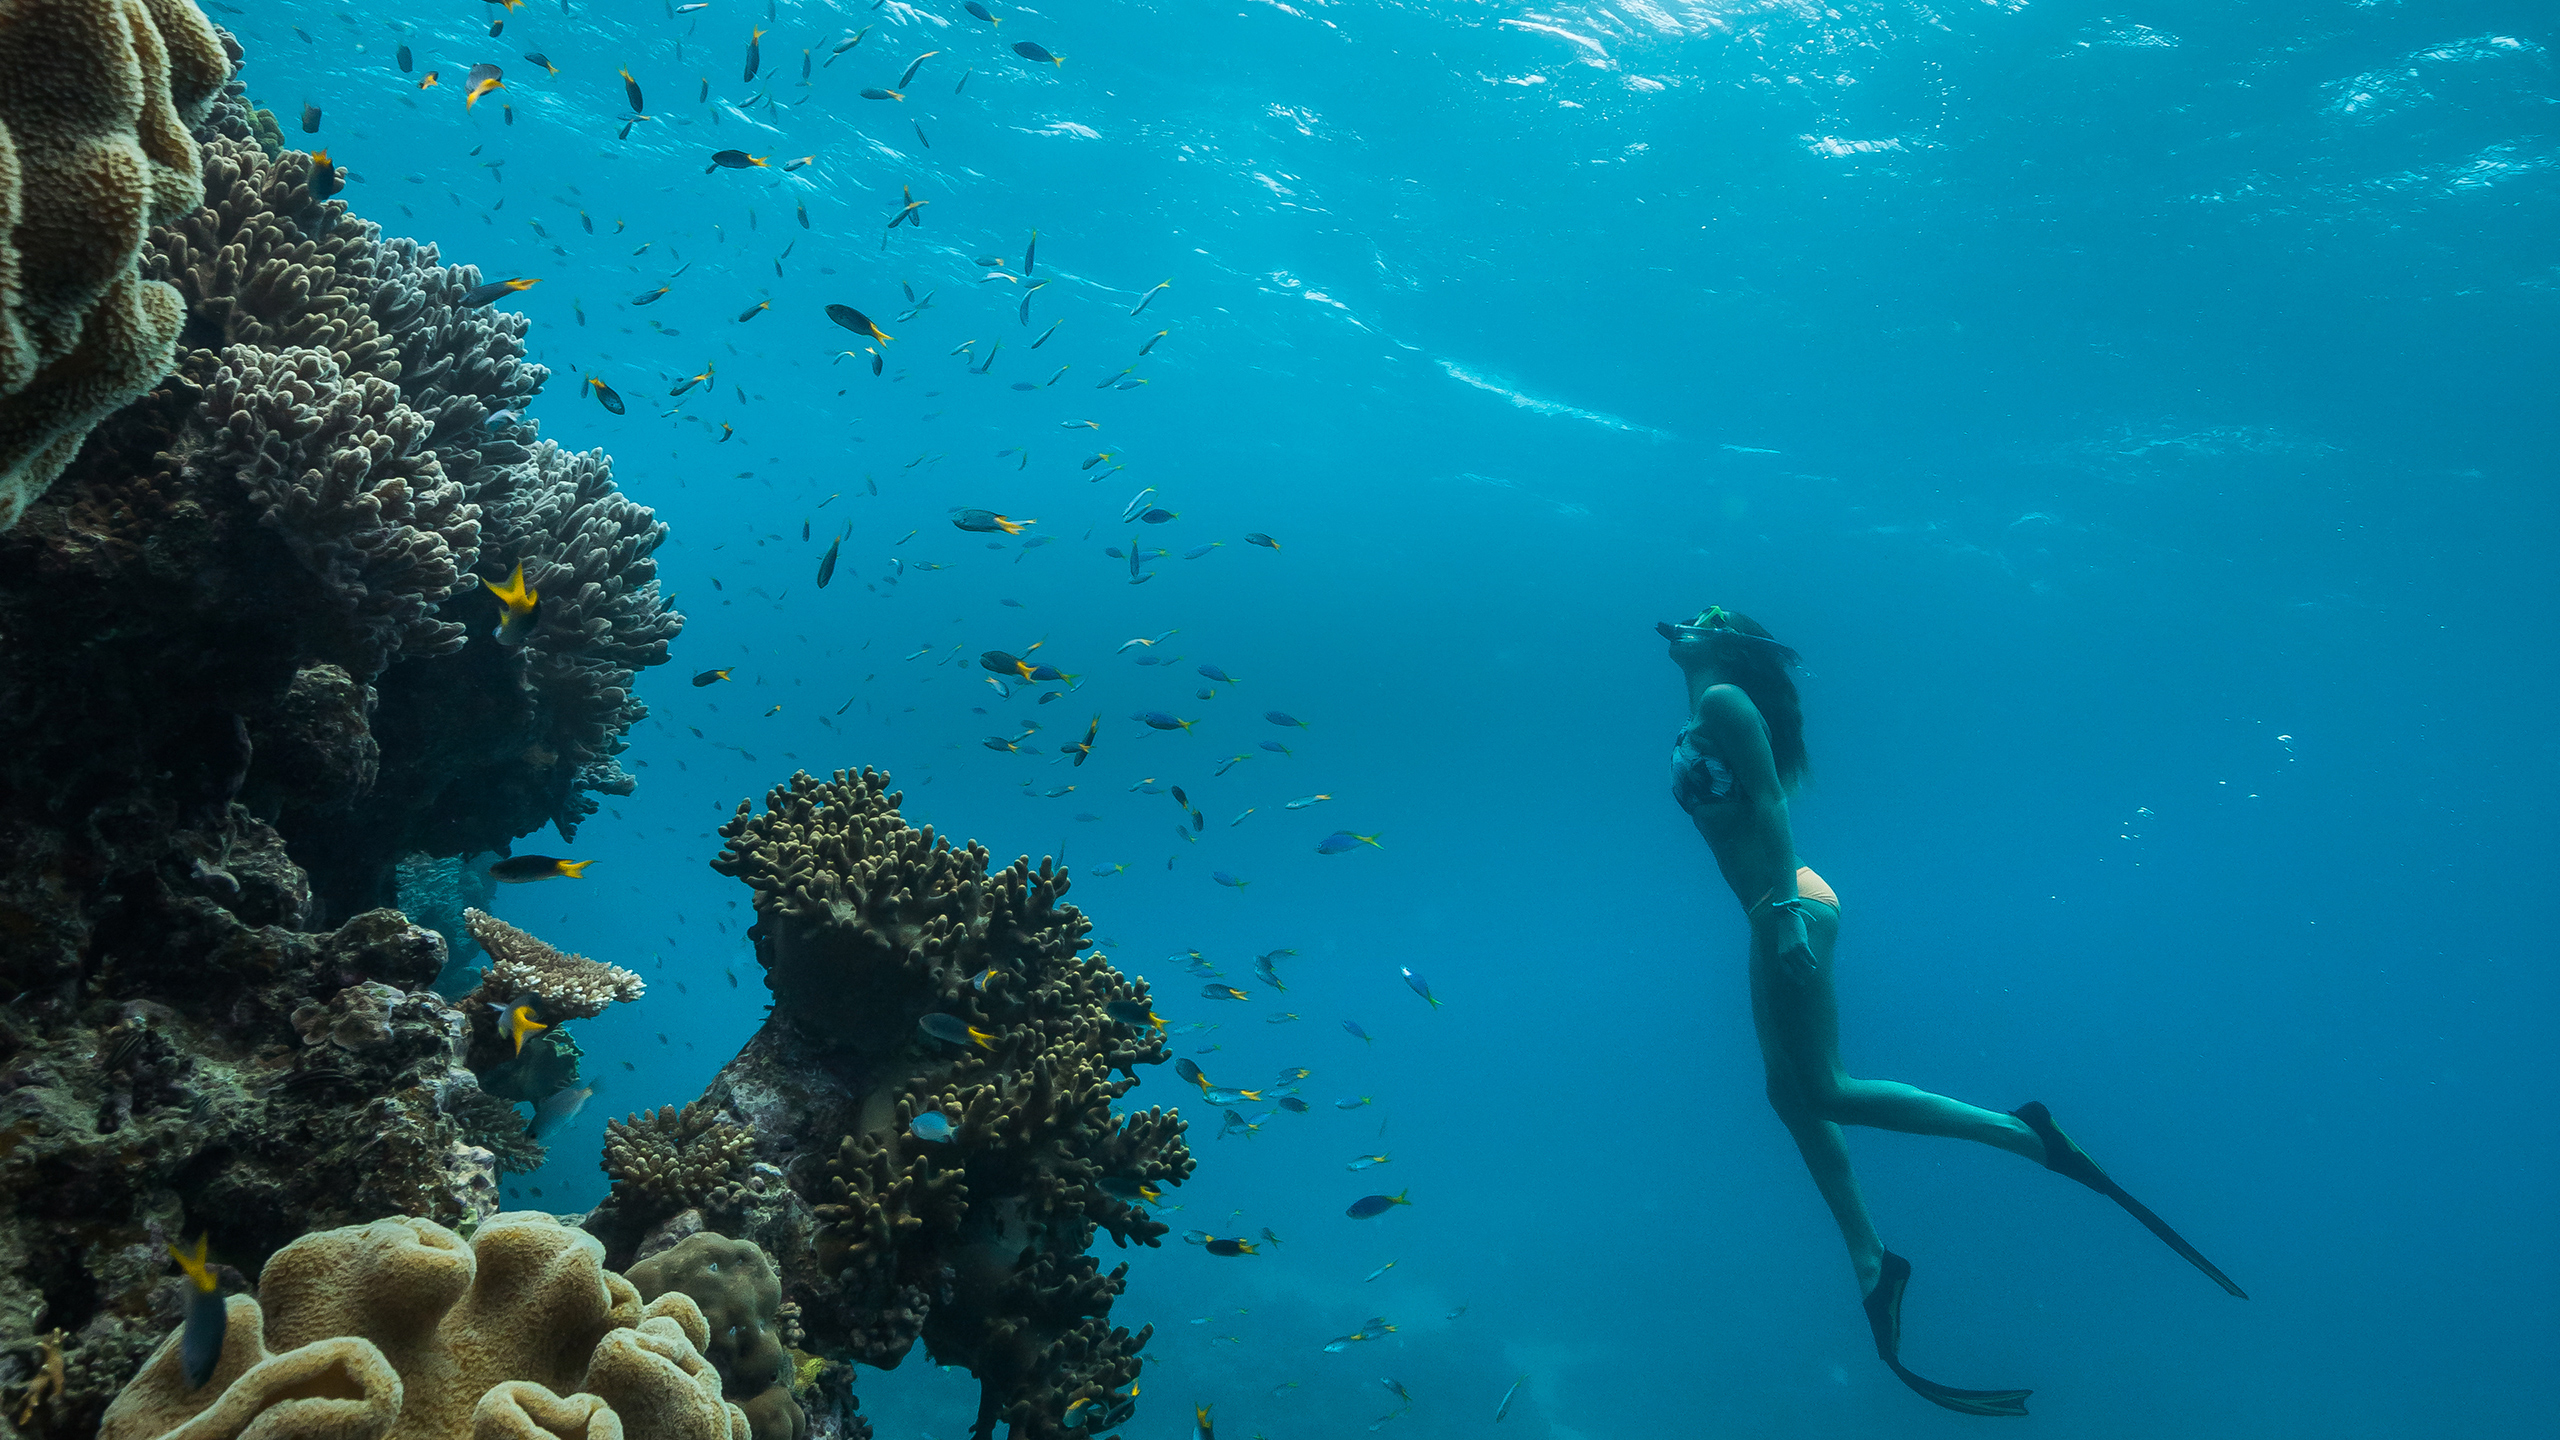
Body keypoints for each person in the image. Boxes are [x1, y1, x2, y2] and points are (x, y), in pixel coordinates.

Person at [1660, 606, 2245, 1417]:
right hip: (1769, 912)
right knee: (1786, 1095)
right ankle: (1873, 1258)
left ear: (1730, 642)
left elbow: (1769, 805)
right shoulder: (1707, 697)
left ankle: (2026, 1135)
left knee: (1825, 1089)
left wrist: (1787, 915)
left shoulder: (1725, 700)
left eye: (1707, 617)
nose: (1685, 622)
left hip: (1786, 909)